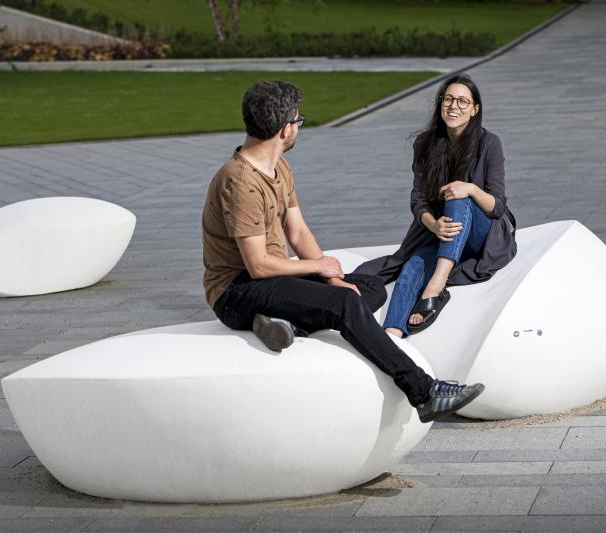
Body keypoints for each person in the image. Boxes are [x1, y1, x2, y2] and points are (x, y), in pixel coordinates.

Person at [201, 80, 484, 422]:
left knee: (369, 287)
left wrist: (332, 276)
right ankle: (425, 393)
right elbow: (258, 265)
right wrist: (319, 268)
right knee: (346, 303)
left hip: (270, 280)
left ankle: (286, 323)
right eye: (298, 121)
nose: (298, 127)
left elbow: (297, 231)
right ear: (285, 129)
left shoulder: (278, 166)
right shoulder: (241, 182)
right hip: (236, 291)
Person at [354, 74, 517, 337]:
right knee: (413, 264)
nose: (454, 106)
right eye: (448, 99)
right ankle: (393, 332)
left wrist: (471, 189)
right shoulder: (425, 143)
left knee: (458, 194)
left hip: (481, 234)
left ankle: (437, 285)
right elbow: (418, 198)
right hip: (442, 231)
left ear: (475, 109)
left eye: (463, 101)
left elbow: (497, 206)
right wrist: (433, 225)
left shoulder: (489, 143)